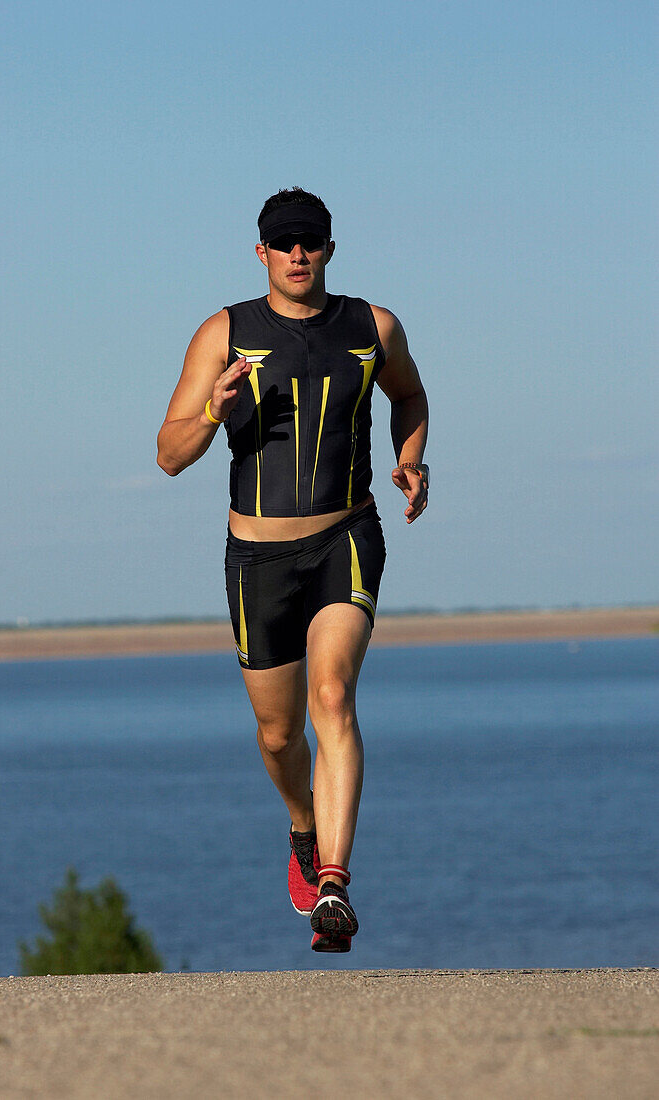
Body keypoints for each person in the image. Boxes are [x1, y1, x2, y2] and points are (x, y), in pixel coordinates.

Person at [157, 187, 428, 952]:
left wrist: (410, 459)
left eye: (310, 241)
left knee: (333, 694)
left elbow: (408, 395)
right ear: (262, 253)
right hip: (257, 560)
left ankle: (334, 887)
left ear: (330, 250)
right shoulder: (226, 332)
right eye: (284, 243)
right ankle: (302, 829)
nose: (298, 253)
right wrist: (211, 410)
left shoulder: (371, 328)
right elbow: (168, 455)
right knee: (279, 737)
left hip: (347, 535)